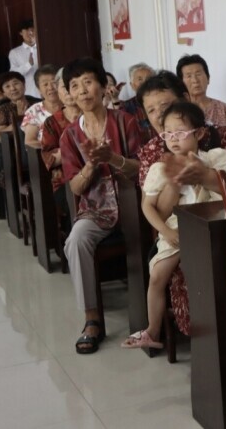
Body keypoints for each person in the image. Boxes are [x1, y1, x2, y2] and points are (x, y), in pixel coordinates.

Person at [136, 71, 226, 336]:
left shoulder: (217, 149)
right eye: (151, 111)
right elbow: (153, 208)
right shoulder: (156, 158)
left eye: (165, 106)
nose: (159, 117)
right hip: (177, 228)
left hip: (221, 224)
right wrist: (175, 181)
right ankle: (156, 330)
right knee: (161, 273)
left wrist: (205, 174)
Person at [59, 58, 140, 354]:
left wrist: (113, 158)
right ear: (69, 94)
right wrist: (92, 165)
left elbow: (141, 168)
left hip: (134, 207)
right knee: (76, 240)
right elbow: (75, 187)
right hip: (95, 209)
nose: (82, 90)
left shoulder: (124, 121)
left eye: (88, 82)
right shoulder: (69, 135)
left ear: (103, 87)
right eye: (74, 86)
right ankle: (92, 318)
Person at [41, 68, 81, 234]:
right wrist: (78, 149)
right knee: (74, 199)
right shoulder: (51, 122)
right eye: (65, 87)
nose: (70, 91)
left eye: (74, 86)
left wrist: (66, 152)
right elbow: (49, 158)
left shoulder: (93, 115)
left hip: (99, 175)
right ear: (58, 90)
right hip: (64, 181)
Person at [176, 54, 226, 126]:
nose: (195, 80)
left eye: (198, 74)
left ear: (208, 78)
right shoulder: (178, 112)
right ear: (181, 82)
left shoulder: (224, 109)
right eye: (189, 76)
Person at [0, 71, 41, 139]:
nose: (13, 88)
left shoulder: (37, 104)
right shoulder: (1, 109)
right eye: (7, 86)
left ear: (24, 85)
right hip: (16, 144)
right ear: (4, 93)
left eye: (16, 83)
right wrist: (20, 118)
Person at [21, 65, 61, 147]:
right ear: (39, 89)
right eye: (45, 84)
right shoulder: (33, 111)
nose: (50, 87)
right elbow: (30, 141)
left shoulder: (71, 105)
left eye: (54, 82)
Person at [119, 62, 155, 143]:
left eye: (149, 78)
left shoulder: (162, 103)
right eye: (140, 79)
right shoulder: (125, 107)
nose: (145, 82)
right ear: (132, 85)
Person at [8, 19, 40, 98]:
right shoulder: (15, 52)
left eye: (32, 29)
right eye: (26, 30)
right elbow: (13, 74)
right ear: (20, 33)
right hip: (28, 92)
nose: (30, 32)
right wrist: (28, 65)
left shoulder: (43, 48)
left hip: (45, 91)